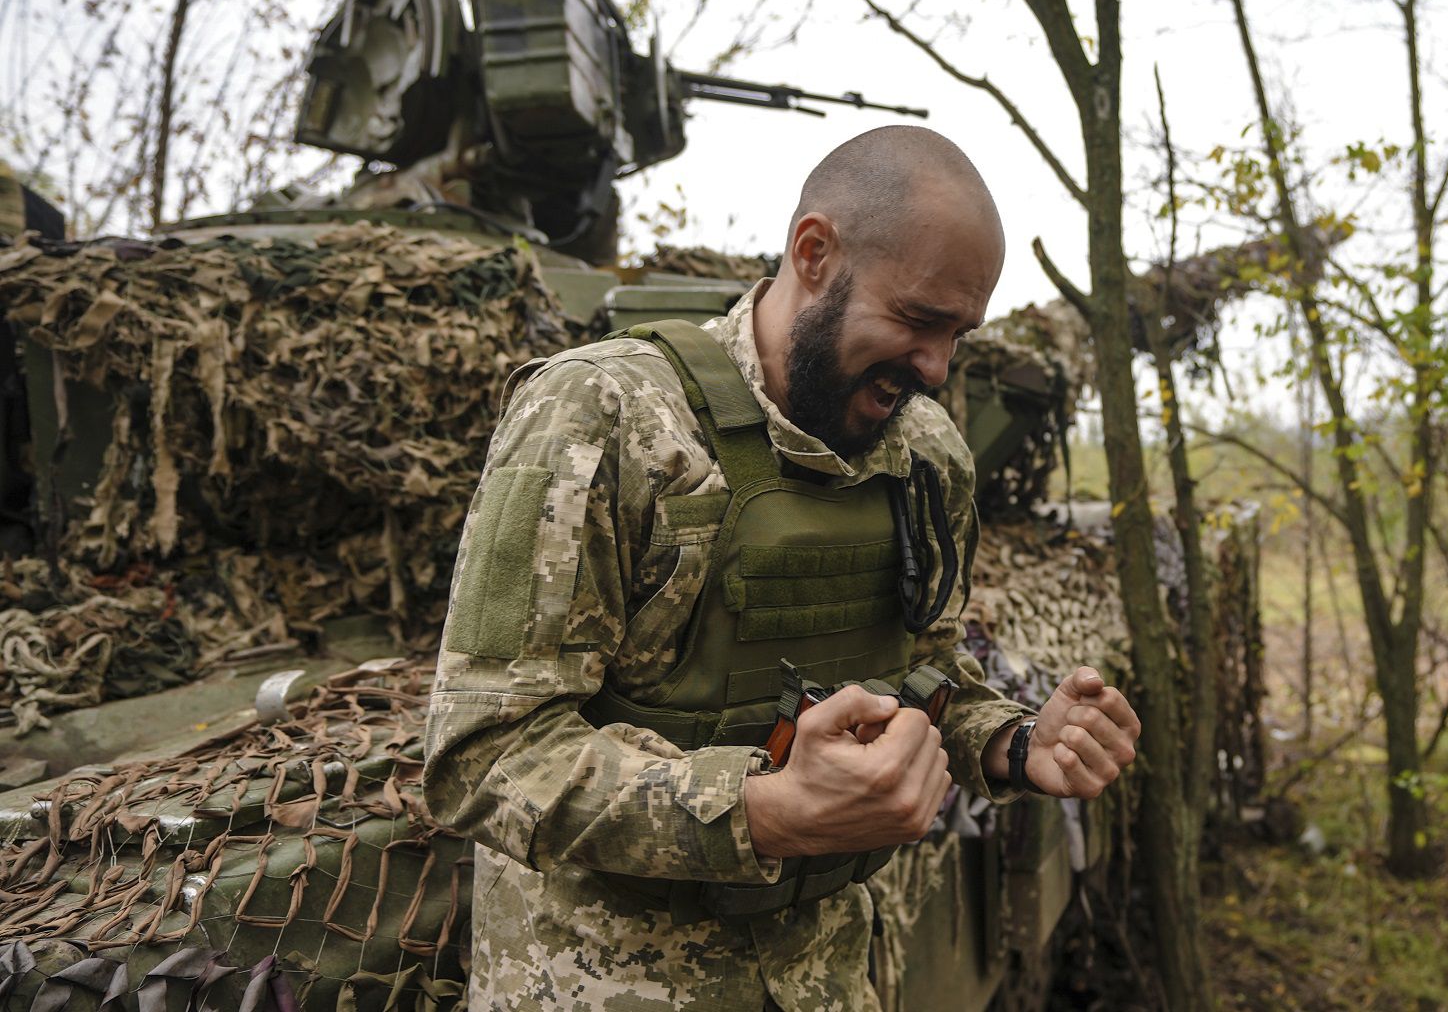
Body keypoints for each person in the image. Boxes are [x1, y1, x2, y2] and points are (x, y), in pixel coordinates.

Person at [423, 125, 1140, 1010]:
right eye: (918, 320)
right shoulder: (599, 417)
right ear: (814, 252)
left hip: (828, 979)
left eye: (959, 334)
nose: (938, 368)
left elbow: (926, 676)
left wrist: (1014, 741)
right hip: (602, 984)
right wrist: (760, 810)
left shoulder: (927, 455)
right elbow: (484, 754)